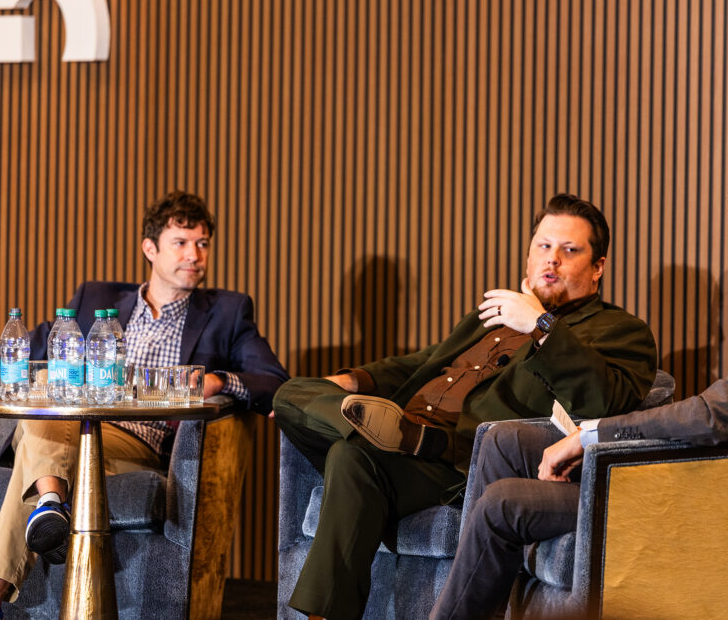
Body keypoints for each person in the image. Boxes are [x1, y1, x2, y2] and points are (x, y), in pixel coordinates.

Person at [430, 181, 728, 620]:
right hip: (705, 470)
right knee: (505, 443)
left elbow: (710, 417)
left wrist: (590, 436)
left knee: (503, 503)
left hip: (709, 495)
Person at [273, 193, 658, 620]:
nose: (552, 261)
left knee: (350, 456)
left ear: (597, 267)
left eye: (569, 251)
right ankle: (387, 431)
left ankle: (323, 612)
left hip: (457, 462)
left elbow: (605, 401)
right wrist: (352, 381)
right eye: (543, 247)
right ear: (528, 255)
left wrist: (540, 326)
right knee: (291, 395)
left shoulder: (621, 331)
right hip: (405, 436)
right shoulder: (491, 313)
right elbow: (424, 364)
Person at [0, 191, 289, 620]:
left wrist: (219, 380)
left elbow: (273, 381)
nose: (194, 255)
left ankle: (0, 575)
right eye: (181, 242)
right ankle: (36, 525)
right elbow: (27, 346)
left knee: (39, 428)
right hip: (71, 425)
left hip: (139, 443)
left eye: (203, 243)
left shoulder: (227, 312)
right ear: (150, 249)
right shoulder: (96, 299)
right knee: (50, 377)